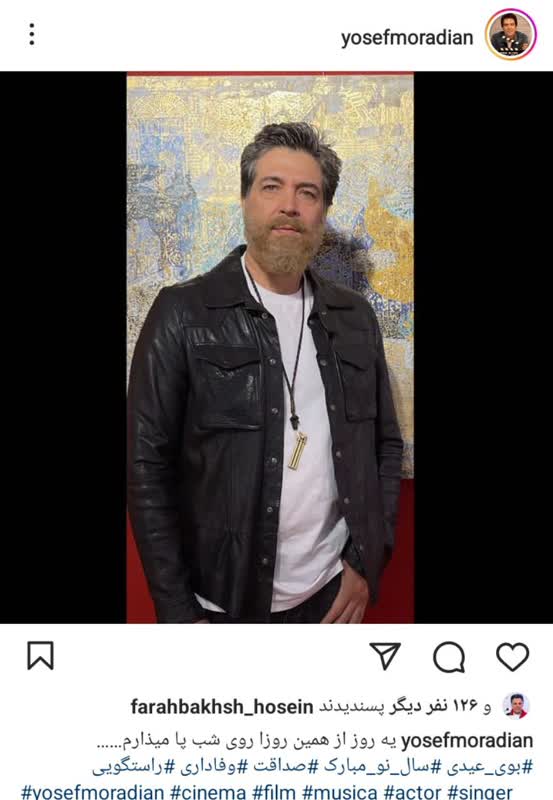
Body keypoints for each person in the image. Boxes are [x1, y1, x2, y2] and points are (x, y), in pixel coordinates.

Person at [127, 122, 404, 624]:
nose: (289, 205)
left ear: (323, 211)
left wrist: (366, 563)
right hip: (220, 606)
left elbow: (384, 447)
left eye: (307, 192)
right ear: (245, 199)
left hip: (330, 598)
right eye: (272, 186)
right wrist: (179, 614)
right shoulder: (182, 313)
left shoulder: (355, 318)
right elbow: (146, 468)